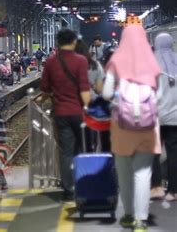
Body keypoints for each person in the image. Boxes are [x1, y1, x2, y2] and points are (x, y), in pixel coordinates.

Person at [102, 25, 161, 232]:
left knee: (124, 173)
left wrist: (121, 97)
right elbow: (159, 96)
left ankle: (127, 214)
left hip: (122, 125)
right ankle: (141, 220)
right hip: (147, 126)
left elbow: (107, 93)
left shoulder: (116, 60)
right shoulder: (151, 60)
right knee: (143, 174)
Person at [39, 29, 91, 201]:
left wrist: (47, 96)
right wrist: (89, 108)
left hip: (60, 112)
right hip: (79, 112)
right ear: (74, 41)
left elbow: (45, 87)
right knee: (83, 149)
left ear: (57, 42)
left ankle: (69, 190)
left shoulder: (51, 62)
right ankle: (84, 184)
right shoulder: (81, 61)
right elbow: (84, 88)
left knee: (66, 152)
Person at [150, 32, 177, 202]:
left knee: (153, 152)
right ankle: (174, 191)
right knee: (175, 154)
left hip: (155, 116)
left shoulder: (150, 64)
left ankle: (157, 187)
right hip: (175, 117)